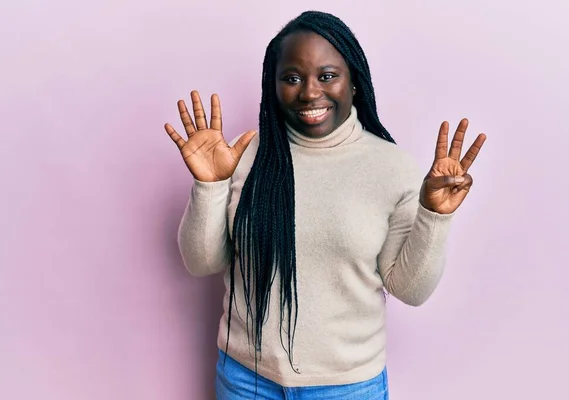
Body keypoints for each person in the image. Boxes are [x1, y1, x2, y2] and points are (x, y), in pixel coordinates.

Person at [164, 10, 486, 400]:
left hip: (347, 387)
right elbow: (202, 262)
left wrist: (434, 216)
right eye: (292, 78)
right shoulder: (242, 156)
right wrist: (209, 184)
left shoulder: (391, 167)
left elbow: (410, 289)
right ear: (273, 84)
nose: (310, 92)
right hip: (246, 380)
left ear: (354, 84)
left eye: (328, 76)